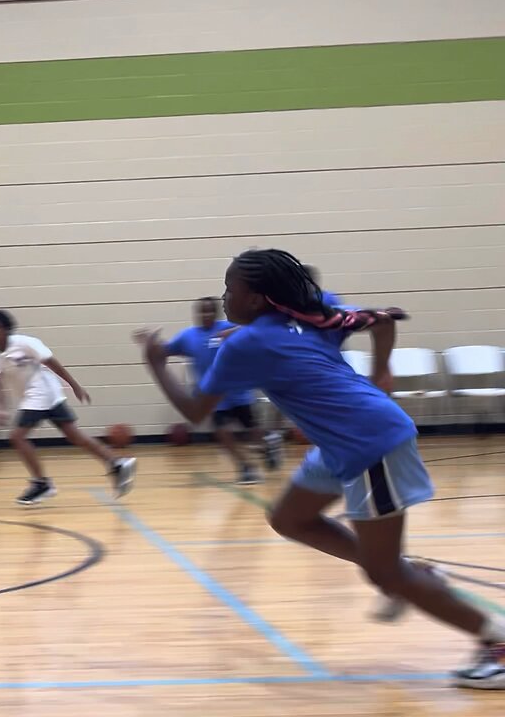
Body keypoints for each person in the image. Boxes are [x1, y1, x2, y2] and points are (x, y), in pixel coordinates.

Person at [134, 248, 505, 689]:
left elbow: (195, 412)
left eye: (229, 289)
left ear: (255, 299)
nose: (224, 298)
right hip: (339, 443)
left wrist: (157, 364)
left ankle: (495, 642)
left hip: (368, 443)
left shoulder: (247, 345)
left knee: (383, 574)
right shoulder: (317, 311)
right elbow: (381, 321)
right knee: (290, 519)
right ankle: (408, 572)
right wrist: (382, 369)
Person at [0, 309, 137, 506]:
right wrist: (0, 408)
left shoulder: (26, 343)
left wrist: (74, 385)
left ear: (6, 328)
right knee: (74, 435)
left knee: (17, 437)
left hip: (43, 392)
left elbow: (53, 364)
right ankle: (116, 463)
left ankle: (42, 483)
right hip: (37, 396)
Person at [165, 298, 282, 485]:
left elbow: (256, 328)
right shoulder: (188, 336)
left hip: (239, 392)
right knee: (222, 432)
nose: (207, 316)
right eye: (203, 312)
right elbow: (165, 350)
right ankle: (246, 468)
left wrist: (233, 332)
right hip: (214, 397)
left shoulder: (228, 327)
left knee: (253, 431)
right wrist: (152, 346)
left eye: (210, 311)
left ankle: (268, 446)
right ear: (197, 314)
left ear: (216, 313)